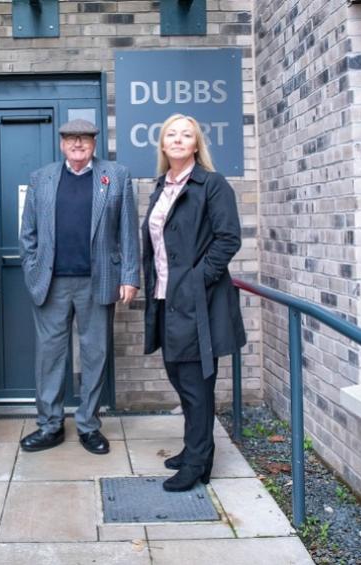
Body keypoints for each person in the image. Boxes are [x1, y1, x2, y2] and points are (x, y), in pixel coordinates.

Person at [19, 119, 140, 455]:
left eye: (84, 139)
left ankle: (88, 425)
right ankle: (49, 426)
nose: (77, 144)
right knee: (49, 356)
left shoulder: (115, 176)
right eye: (71, 138)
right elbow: (28, 233)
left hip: (98, 281)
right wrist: (32, 270)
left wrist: (130, 276)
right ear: (61, 144)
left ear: (93, 143)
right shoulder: (42, 178)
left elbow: (128, 230)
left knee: (95, 354)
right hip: (52, 283)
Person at [142, 113, 246, 492]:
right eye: (172, 134)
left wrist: (195, 281)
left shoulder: (212, 185)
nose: (179, 139)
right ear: (163, 144)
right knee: (180, 378)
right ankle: (196, 449)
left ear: (197, 144)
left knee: (195, 384)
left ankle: (198, 461)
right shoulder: (161, 186)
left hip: (195, 303)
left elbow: (228, 238)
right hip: (166, 301)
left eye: (187, 134)